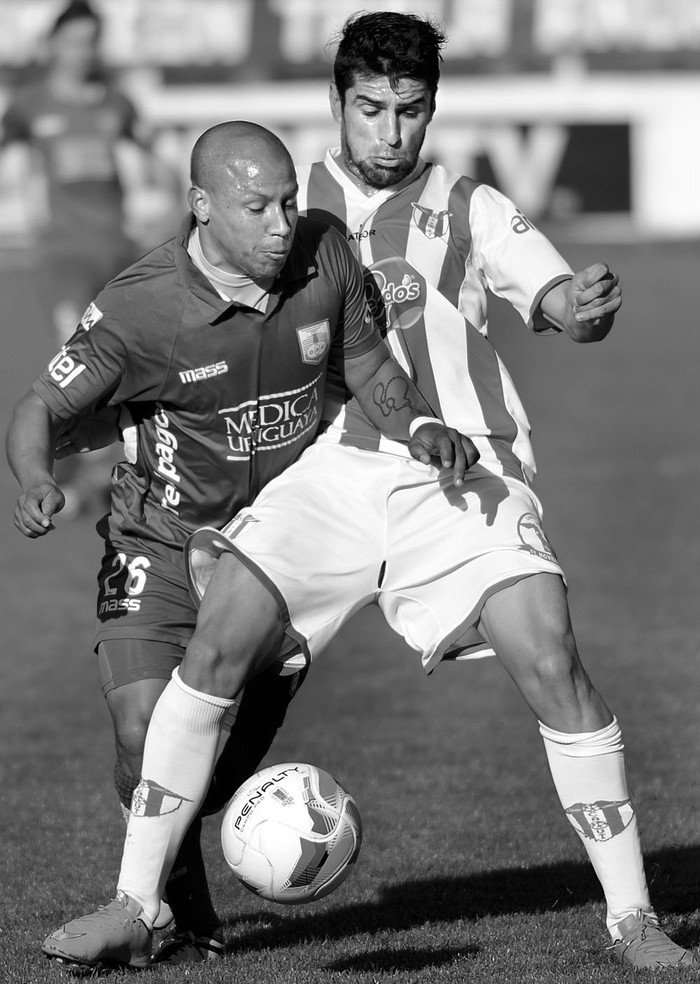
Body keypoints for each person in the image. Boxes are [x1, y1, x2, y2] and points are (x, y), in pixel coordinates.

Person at [37, 12, 693, 973]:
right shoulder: (290, 208)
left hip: (458, 470)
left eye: (411, 111)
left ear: (433, 111)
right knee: (216, 642)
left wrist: (580, 308)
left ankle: (633, 918)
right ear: (338, 103)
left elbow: (556, 302)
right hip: (329, 469)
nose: (391, 132)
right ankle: (139, 904)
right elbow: (191, 301)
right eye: (371, 108)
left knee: (551, 655)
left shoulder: (471, 207)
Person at [7, 118, 475, 968]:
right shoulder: (139, 307)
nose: (280, 224)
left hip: (278, 547)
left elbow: (368, 369)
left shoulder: (325, 253)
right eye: (257, 207)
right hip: (159, 534)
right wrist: (37, 480)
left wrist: (423, 426)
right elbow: (41, 403)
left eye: (289, 202)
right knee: (143, 726)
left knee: (216, 769)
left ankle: (163, 887)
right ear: (201, 206)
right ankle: (162, 910)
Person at [0, 0, 174, 516]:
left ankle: (119, 466)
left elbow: (158, 163)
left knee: (133, 362)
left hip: (119, 256)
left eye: (90, 41)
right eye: (73, 41)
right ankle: (65, 470)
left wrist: (182, 199)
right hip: (62, 256)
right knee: (75, 359)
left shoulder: (117, 104)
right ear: (54, 45)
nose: (82, 52)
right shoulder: (29, 105)